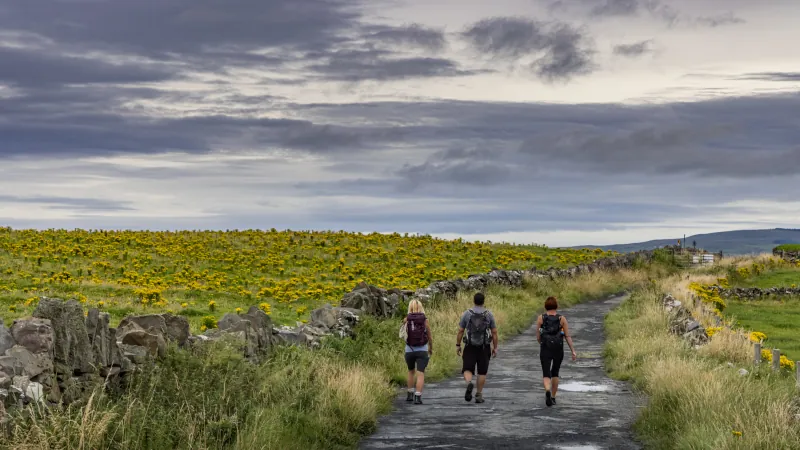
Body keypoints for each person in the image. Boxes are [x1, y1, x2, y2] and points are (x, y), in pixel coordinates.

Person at [456, 292, 498, 404]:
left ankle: (469, 382)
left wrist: (458, 345)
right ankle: (479, 395)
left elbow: (461, 331)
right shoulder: (489, 314)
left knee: (467, 368)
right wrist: (495, 347)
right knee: (482, 372)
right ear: (483, 301)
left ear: (474, 301)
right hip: (484, 347)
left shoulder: (467, 314)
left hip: (470, 346)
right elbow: (494, 332)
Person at [536, 296, 577, 407]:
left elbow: (538, 336)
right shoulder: (562, 319)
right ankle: (553, 397)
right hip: (558, 349)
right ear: (556, 306)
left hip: (545, 348)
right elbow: (567, 336)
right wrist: (573, 350)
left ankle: (547, 390)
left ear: (546, 306)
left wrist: (542, 343)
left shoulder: (541, 318)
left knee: (546, 373)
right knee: (555, 372)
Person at [403, 299, 433, 404]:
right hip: (422, 350)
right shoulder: (425, 320)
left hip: (409, 350)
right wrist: (431, 347)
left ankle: (409, 394)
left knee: (411, 371)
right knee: (420, 373)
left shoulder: (406, 319)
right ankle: (418, 396)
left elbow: (403, 334)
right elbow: (429, 335)